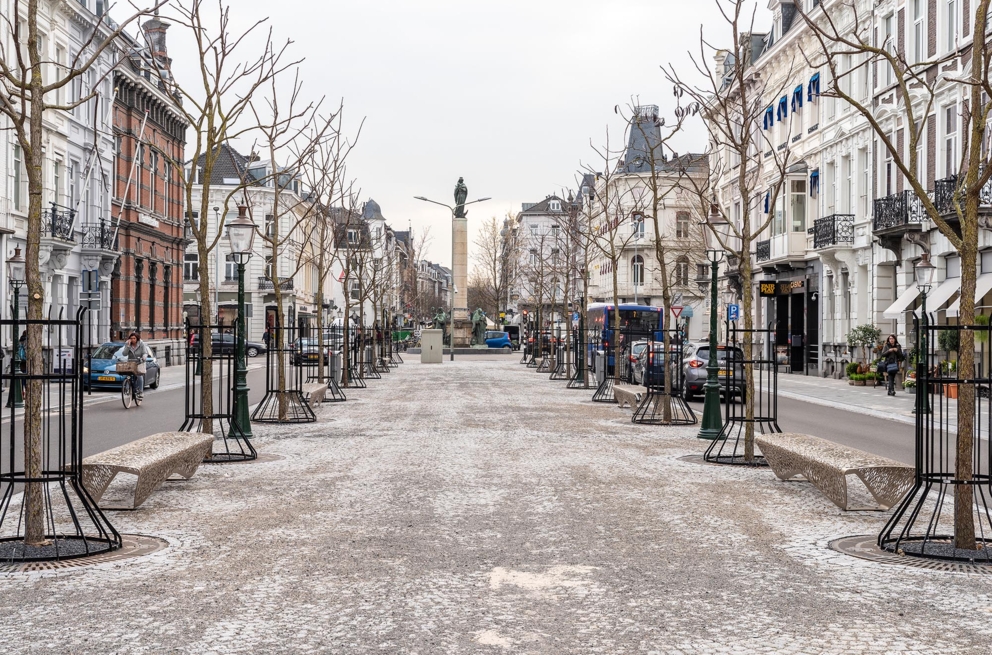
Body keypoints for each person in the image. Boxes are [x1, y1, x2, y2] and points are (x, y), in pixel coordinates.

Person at [114, 332, 151, 400]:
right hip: (131, 362)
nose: (132, 339)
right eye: (131, 338)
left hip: (139, 362)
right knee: (128, 375)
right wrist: (128, 346)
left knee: (139, 376)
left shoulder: (141, 344)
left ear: (137, 339)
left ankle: (140, 392)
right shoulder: (128, 344)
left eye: (134, 338)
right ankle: (128, 389)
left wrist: (143, 357)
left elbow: (145, 353)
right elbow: (124, 354)